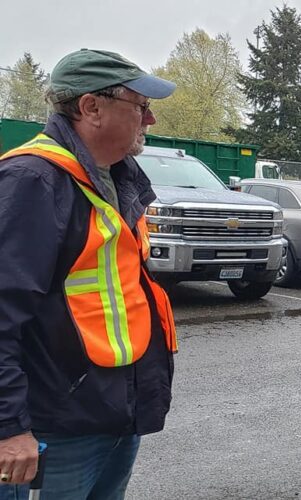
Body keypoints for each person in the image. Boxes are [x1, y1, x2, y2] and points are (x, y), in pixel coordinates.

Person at [0, 49, 177, 499]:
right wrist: (9, 428)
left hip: (112, 416)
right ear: (90, 107)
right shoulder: (33, 180)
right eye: (140, 106)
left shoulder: (116, 179)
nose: (151, 119)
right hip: (52, 431)